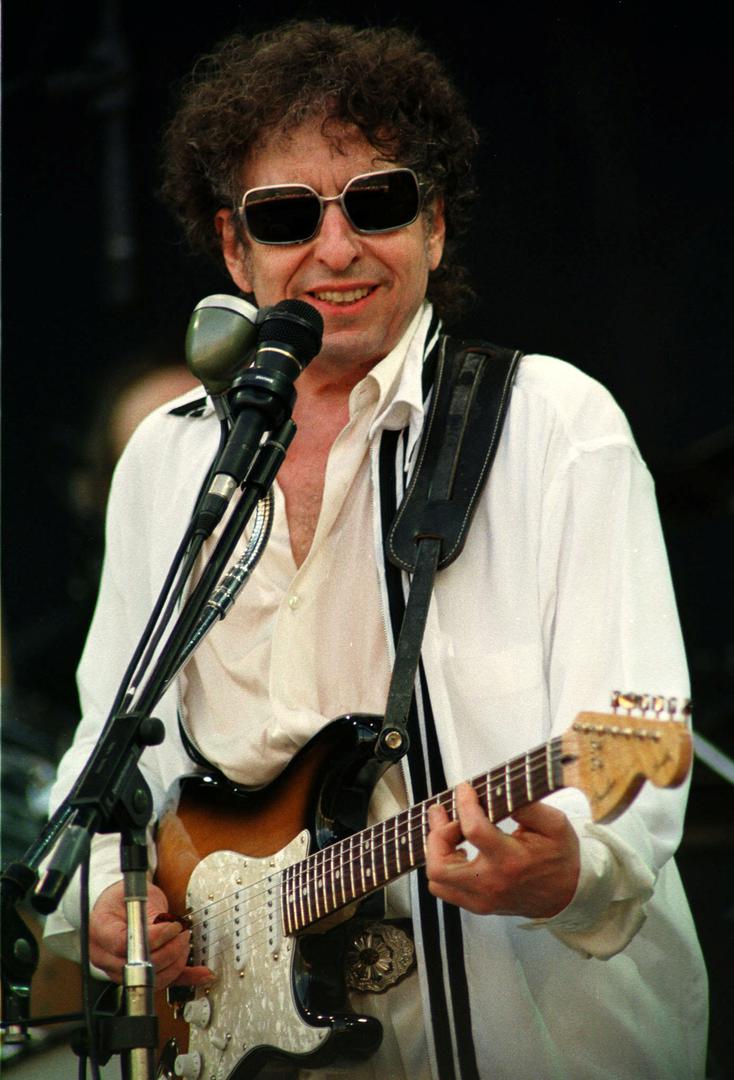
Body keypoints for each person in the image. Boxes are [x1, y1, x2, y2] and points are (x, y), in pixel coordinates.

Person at [46, 20, 708, 1079]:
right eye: (286, 215)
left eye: (378, 202)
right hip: (235, 1036)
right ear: (234, 249)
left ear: (434, 227)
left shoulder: (554, 426)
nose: (337, 246)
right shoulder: (168, 462)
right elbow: (108, 751)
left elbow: (633, 754)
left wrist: (572, 870)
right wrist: (109, 899)